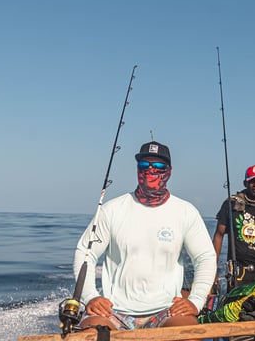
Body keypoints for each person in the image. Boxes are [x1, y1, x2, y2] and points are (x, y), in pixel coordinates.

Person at [73, 140, 217, 332]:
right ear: (137, 169)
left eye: (158, 166)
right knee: (90, 333)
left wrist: (196, 301)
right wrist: (90, 296)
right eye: (144, 165)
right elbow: (85, 253)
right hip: (114, 311)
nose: (150, 170)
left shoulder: (185, 212)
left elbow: (205, 257)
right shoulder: (112, 210)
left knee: (189, 333)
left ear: (169, 171)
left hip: (167, 310)